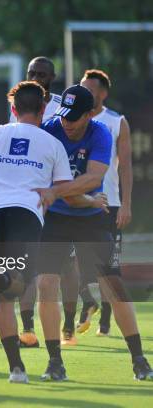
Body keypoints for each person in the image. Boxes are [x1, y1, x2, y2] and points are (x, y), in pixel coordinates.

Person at [0, 81, 106, 383]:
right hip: (25, 216)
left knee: (6, 298)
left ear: (13, 109)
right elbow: (65, 193)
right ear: (44, 110)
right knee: (19, 284)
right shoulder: (52, 144)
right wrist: (92, 200)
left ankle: (16, 368)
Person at [34, 85, 153, 381]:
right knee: (47, 285)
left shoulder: (100, 133)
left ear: (89, 114)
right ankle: (54, 362)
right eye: (64, 115)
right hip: (57, 220)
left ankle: (139, 360)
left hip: (92, 218)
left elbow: (93, 179)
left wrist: (54, 191)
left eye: (74, 117)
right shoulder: (49, 130)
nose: (67, 122)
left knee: (114, 284)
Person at [7, 56, 61, 348]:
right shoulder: (19, 105)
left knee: (55, 270)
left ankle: (70, 319)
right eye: (32, 73)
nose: (37, 77)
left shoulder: (64, 107)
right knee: (26, 267)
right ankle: (27, 328)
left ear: (52, 77)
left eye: (42, 73)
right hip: (27, 197)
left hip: (58, 197)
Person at [77, 69, 133, 337]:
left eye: (90, 89)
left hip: (109, 203)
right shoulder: (71, 120)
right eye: (82, 87)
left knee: (108, 264)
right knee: (71, 258)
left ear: (103, 93)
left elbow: (125, 167)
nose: (86, 92)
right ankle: (86, 304)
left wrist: (126, 204)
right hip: (79, 202)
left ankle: (106, 321)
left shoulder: (116, 121)